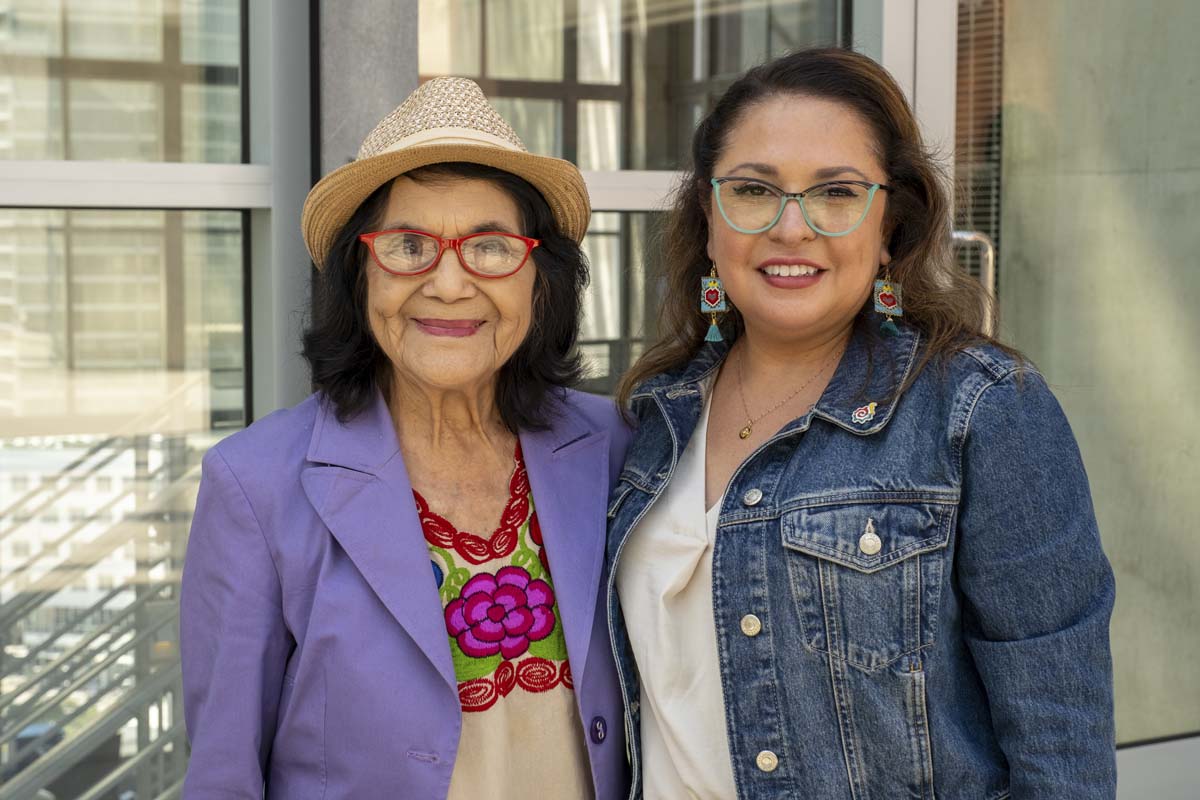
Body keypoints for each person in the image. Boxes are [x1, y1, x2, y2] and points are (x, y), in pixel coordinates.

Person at [606, 48, 1116, 799]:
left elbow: (1061, 749)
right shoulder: (656, 414)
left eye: (836, 193)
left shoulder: (980, 410)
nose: (792, 227)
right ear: (710, 224)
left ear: (888, 229)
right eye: (753, 190)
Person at [180, 77, 630, 799]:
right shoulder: (253, 486)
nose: (448, 284)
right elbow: (224, 777)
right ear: (360, 279)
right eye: (409, 244)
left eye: (489, 247)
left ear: (539, 283)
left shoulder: (615, 446)